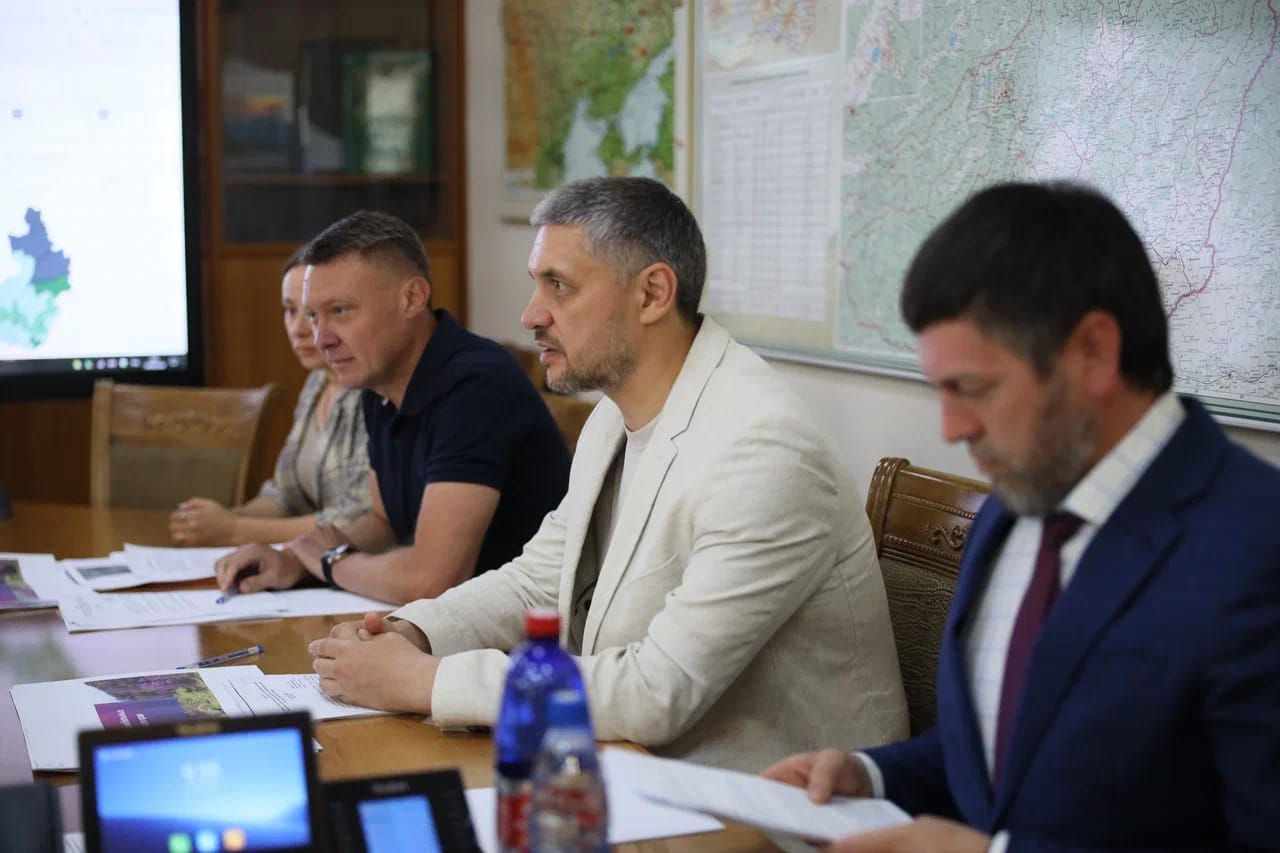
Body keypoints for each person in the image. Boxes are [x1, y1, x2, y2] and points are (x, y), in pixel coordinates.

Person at [307, 177, 908, 774]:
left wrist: (426, 681)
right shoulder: (614, 416)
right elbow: (538, 581)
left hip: (776, 800)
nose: (531, 314)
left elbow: (658, 691)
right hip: (638, 770)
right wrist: (411, 631)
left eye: (559, 286)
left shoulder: (765, 449)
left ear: (652, 294)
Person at [763, 182, 1280, 852]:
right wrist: (873, 776)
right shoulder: (1013, 506)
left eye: (973, 388)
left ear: (1093, 352)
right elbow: (1001, 754)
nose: (952, 428)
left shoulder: (1256, 549)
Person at [214, 211, 571, 605]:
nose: (321, 338)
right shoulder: (379, 381)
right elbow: (385, 524)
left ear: (412, 298)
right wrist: (295, 562)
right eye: (313, 316)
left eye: (340, 311)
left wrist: (332, 562)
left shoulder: (476, 386)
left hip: (534, 631)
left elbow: (432, 581)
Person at [169, 248, 371, 547]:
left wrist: (235, 529)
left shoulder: (374, 390)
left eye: (314, 313)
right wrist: (215, 521)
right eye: (290, 310)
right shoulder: (317, 382)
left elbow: (359, 520)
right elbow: (284, 496)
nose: (299, 329)